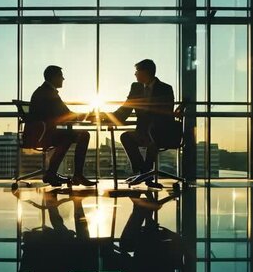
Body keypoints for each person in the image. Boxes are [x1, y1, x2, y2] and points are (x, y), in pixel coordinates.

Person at [109, 59, 174, 188]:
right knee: (126, 136)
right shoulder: (136, 87)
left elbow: (167, 112)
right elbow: (126, 108)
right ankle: (144, 171)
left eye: (137, 71)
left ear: (146, 72)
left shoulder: (165, 88)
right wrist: (108, 117)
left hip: (160, 130)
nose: (135, 74)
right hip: (143, 131)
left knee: (152, 139)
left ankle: (145, 173)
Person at [28, 65, 96, 187]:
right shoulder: (49, 93)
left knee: (70, 136)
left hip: (40, 133)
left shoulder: (45, 91)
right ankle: (75, 175)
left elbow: (62, 114)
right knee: (82, 135)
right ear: (54, 77)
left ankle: (52, 173)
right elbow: (66, 115)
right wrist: (86, 115)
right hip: (43, 135)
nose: (63, 79)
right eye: (61, 76)